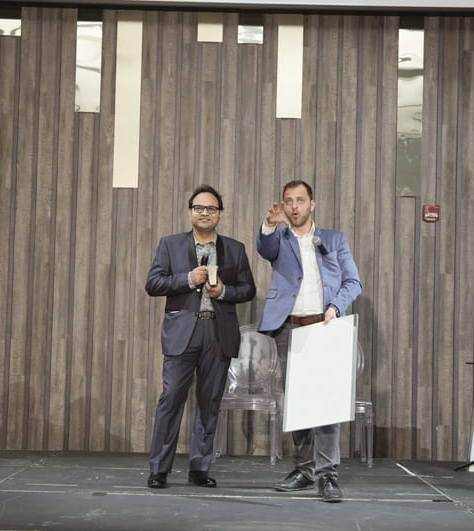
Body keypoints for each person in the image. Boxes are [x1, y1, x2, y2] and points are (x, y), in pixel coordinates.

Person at [256, 179, 362, 503]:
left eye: (300, 200)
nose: (294, 206)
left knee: (326, 404)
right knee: (298, 404)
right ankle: (304, 470)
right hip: (291, 330)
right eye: (289, 200)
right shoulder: (279, 238)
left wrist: (335, 307)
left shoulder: (334, 239)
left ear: (312, 204)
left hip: (325, 327)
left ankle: (327, 475)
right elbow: (265, 249)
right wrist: (268, 225)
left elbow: (353, 282)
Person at [145, 184, 256, 489]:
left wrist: (225, 292)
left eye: (211, 208)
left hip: (217, 333)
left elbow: (248, 289)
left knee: (210, 403)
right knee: (171, 399)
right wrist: (187, 279)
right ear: (190, 212)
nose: (205, 213)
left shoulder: (235, 249)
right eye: (199, 208)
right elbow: (153, 283)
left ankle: (199, 467)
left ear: (220, 213)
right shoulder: (170, 245)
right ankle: (159, 469)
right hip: (182, 332)